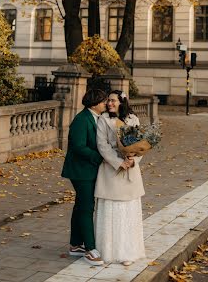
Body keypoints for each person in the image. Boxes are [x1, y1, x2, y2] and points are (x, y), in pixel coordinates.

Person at [94, 90, 146, 266]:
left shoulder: (133, 119)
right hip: (111, 170)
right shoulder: (103, 119)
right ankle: (109, 250)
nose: (109, 103)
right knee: (112, 209)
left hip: (130, 170)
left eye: (113, 100)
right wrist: (118, 162)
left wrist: (133, 160)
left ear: (122, 102)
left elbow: (140, 143)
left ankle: (128, 251)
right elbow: (102, 145)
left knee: (128, 210)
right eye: (108, 100)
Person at [61, 87, 107, 266]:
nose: (106, 104)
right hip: (81, 171)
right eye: (103, 101)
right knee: (87, 207)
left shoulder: (96, 117)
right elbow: (79, 146)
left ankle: (75, 245)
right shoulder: (81, 120)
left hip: (88, 169)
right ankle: (90, 249)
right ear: (95, 103)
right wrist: (100, 158)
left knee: (81, 205)